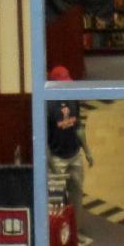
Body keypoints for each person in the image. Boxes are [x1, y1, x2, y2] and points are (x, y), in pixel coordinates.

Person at [44, 65, 91, 212]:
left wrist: (87, 151)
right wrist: (52, 165)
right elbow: (43, 140)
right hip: (57, 157)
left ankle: (75, 226)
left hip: (74, 154)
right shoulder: (47, 105)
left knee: (77, 193)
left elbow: (78, 127)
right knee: (56, 199)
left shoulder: (72, 99)